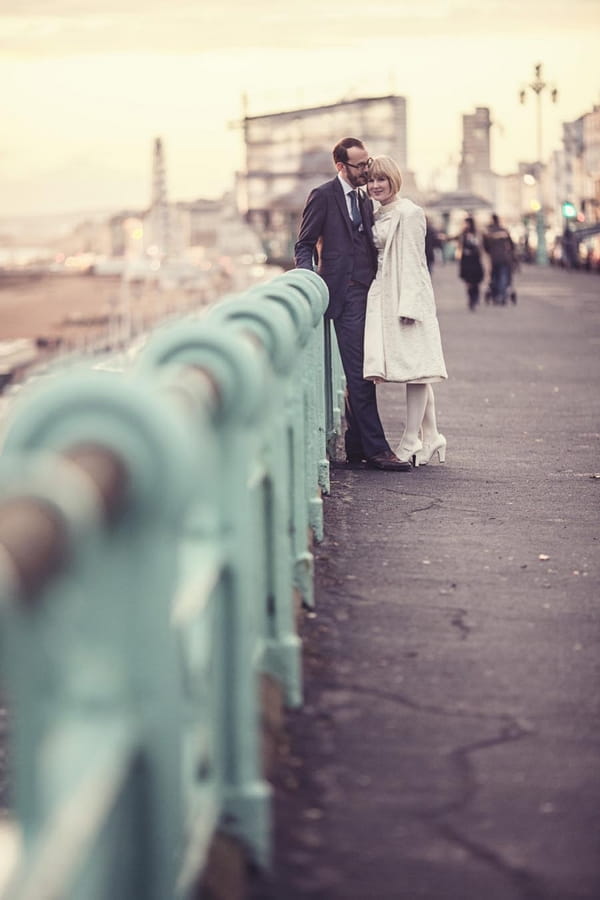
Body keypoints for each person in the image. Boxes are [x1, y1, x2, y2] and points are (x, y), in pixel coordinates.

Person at [294, 138, 410, 471]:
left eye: (367, 162)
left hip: (367, 292)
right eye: (360, 165)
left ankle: (358, 446)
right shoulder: (323, 196)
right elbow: (303, 244)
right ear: (341, 166)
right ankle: (377, 449)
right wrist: (308, 278)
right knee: (361, 373)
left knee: (362, 370)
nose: (367, 169)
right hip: (341, 296)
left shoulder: (362, 198)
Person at [363, 155, 448, 466]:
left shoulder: (410, 212)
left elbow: (415, 261)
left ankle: (412, 438)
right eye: (371, 179)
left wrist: (410, 305)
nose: (375, 185)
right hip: (382, 293)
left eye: (381, 179)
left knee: (416, 368)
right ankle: (433, 435)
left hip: (404, 295)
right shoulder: (376, 212)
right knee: (415, 366)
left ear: (393, 180)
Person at [483, 213, 515, 304]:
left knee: (495, 277)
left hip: (494, 258)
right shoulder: (504, 231)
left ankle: (496, 295)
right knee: (503, 277)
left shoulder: (489, 233)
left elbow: (486, 247)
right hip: (505, 258)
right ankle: (502, 295)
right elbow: (512, 246)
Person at [458, 216, 484, 310]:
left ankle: (475, 298)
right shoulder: (463, 233)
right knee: (467, 281)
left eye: (466, 223)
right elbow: (459, 243)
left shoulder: (476, 233)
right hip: (466, 260)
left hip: (475, 260)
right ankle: (471, 299)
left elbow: (480, 246)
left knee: (475, 281)